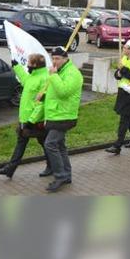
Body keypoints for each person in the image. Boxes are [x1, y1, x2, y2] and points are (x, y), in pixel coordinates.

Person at [0, 54, 51, 179]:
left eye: (29, 63)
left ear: (35, 65)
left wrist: (32, 121)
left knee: (44, 143)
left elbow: (42, 104)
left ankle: (51, 166)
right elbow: (25, 80)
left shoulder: (45, 78)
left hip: (34, 120)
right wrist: (17, 66)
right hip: (26, 119)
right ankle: (10, 169)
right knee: (30, 142)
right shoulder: (33, 76)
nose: (27, 65)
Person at [42, 46, 84, 193]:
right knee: (59, 145)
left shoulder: (73, 73)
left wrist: (53, 76)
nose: (55, 61)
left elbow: (63, 92)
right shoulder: (60, 71)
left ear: (66, 58)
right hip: (56, 114)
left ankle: (60, 176)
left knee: (50, 144)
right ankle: (66, 175)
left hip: (65, 116)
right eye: (53, 58)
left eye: (58, 58)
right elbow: (53, 91)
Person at [105, 40, 130, 155]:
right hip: (123, 90)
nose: (123, 49)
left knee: (125, 119)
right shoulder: (124, 58)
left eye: (125, 48)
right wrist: (118, 73)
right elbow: (119, 74)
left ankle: (117, 145)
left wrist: (123, 70)